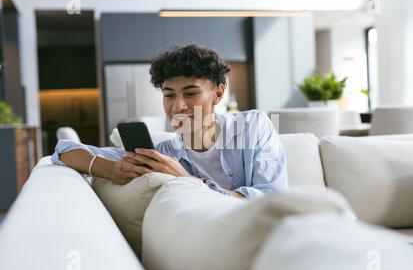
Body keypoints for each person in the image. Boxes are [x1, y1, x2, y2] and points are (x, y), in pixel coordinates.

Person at [52, 44, 288, 198]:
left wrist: (186, 181)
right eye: (169, 95)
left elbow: (271, 200)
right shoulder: (159, 155)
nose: (177, 107)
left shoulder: (252, 127)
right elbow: (65, 150)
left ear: (218, 94)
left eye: (191, 93)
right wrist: (112, 169)